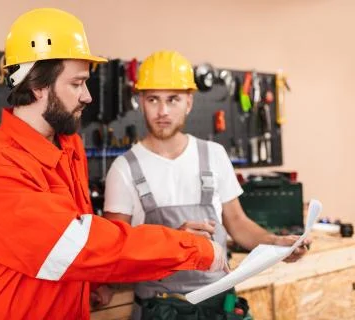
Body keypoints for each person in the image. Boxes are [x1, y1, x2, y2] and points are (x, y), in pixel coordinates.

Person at [0, 9, 229, 320]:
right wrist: (189, 248)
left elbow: (85, 242)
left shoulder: (68, 147)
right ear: (39, 85)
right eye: (77, 83)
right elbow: (71, 248)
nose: (88, 96)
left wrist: (95, 280)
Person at [102, 50, 311, 320]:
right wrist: (173, 242)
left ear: (189, 102)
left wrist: (275, 244)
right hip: (161, 309)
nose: (163, 111)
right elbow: (114, 254)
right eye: (153, 99)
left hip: (219, 307)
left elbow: (238, 223)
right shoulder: (124, 168)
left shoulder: (214, 154)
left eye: (173, 99)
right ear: (141, 101)